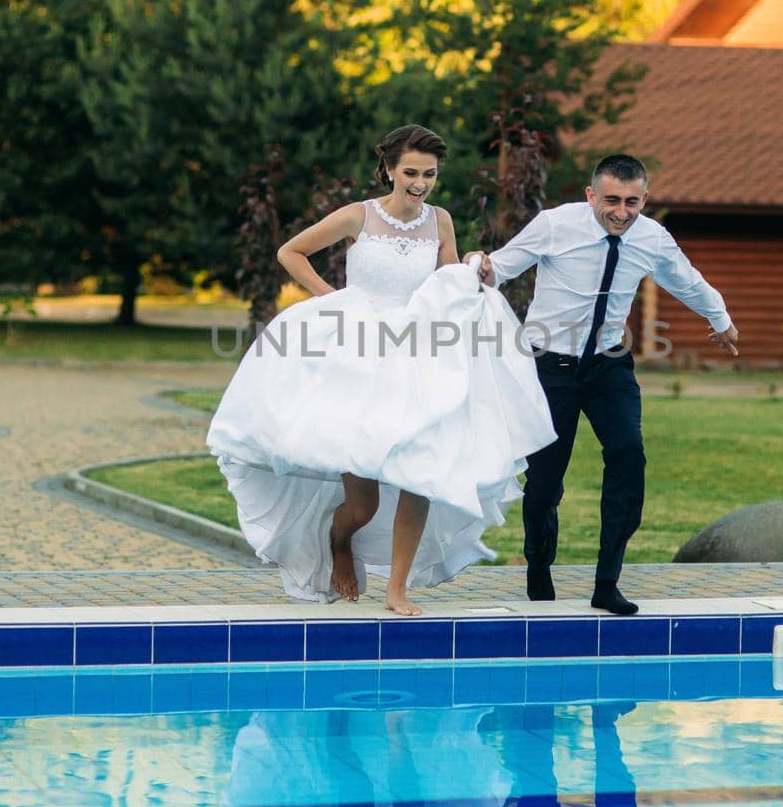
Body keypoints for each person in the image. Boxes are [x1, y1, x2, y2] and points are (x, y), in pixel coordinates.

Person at [207, 125, 555, 615]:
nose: (419, 182)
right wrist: (335, 301)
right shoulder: (358, 215)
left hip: (418, 354)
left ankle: (397, 589)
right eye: (410, 172)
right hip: (360, 354)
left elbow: (449, 281)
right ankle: (339, 538)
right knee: (364, 504)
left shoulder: (442, 221)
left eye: (429, 174)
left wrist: (472, 267)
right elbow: (290, 252)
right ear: (389, 169)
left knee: (422, 472)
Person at [468, 154, 739, 615]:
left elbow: (686, 281)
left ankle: (607, 581)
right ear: (591, 195)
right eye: (611, 200)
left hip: (609, 365)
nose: (621, 211)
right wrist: (476, 264)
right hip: (549, 368)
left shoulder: (651, 237)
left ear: (645, 199)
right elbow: (501, 268)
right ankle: (538, 568)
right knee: (544, 483)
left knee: (628, 454)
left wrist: (721, 318)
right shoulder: (556, 224)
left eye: (632, 202)